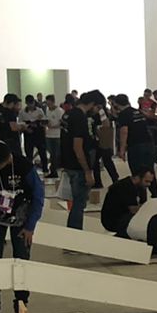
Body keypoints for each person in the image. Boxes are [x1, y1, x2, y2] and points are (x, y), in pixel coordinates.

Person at [0, 140, 44, 313]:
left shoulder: (24, 166)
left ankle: (21, 302)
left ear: (7, 161)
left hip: (21, 218)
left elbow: (38, 195)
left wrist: (30, 226)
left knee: (22, 260)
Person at [59, 91, 102, 229]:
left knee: (76, 202)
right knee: (79, 203)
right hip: (78, 166)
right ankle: (75, 232)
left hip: (68, 162)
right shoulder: (80, 117)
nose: (97, 111)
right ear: (92, 104)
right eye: (98, 107)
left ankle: (74, 231)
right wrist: (87, 170)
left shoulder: (68, 114)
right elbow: (77, 146)